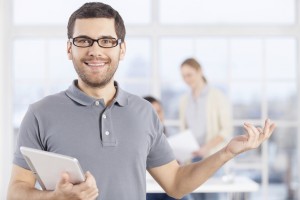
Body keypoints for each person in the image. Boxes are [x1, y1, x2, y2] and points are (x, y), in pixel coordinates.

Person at [6, 2, 276, 200]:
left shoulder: (144, 112)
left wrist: (227, 152)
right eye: (84, 40)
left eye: (107, 40)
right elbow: (16, 191)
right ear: (69, 48)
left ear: (121, 49)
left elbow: (176, 184)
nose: (95, 50)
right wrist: (55, 197)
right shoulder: (40, 113)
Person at [179, 58, 233, 160]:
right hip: (192, 157)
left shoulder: (217, 96)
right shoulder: (184, 101)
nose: (186, 80)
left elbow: (226, 129)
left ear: (200, 71)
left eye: (189, 75)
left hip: (214, 155)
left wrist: (206, 148)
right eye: (183, 76)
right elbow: (184, 129)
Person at [144, 96, 190, 200]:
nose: (157, 116)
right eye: (153, 112)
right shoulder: (138, 137)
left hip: (169, 183)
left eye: (159, 111)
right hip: (149, 188)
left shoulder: (173, 135)